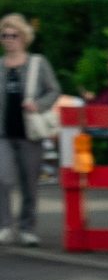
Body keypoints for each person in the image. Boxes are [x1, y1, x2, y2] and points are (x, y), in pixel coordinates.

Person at [0, 13, 64, 247]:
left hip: (30, 132)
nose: (8, 39)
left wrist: (38, 105)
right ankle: (4, 226)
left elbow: (53, 90)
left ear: (24, 37)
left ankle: (27, 228)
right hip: (3, 133)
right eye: (4, 35)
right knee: (3, 179)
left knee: (29, 183)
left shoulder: (38, 63)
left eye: (13, 35)